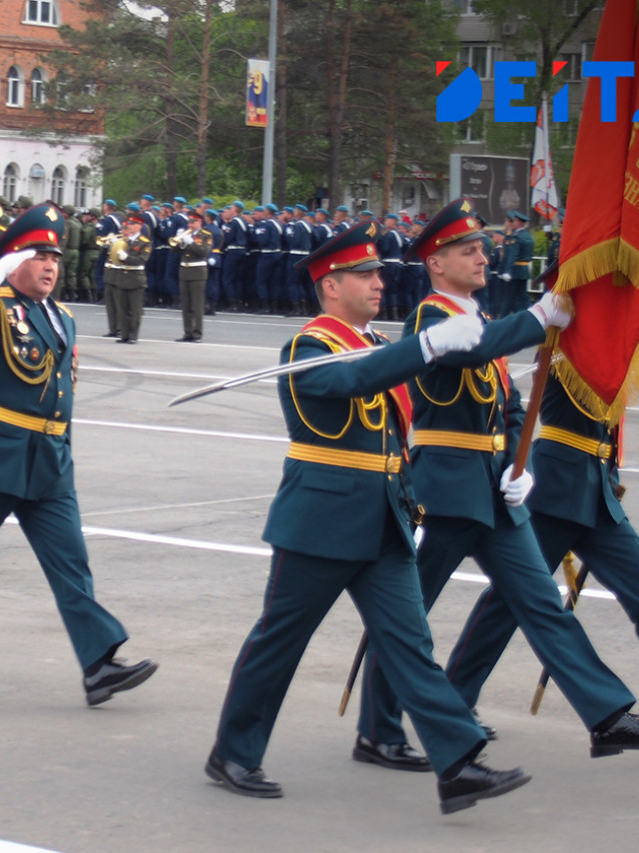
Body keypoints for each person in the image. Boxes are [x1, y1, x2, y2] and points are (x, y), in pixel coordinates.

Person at [206, 221, 531, 813]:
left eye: (379, 272)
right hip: (321, 520)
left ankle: (456, 761)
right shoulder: (308, 347)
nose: (379, 282)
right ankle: (233, 751)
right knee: (281, 642)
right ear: (330, 286)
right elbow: (354, 380)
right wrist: (429, 344)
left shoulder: (379, 345)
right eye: (365, 274)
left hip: (384, 519)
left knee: (410, 644)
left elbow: (402, 408)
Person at [357, 199, 639, 766]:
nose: (484, 257)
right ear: (436, 263)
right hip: (445, 488)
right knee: (408, 615)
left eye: (482, 248)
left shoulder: (480, 317)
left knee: (541, 603)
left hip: (491, 489)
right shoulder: (431, 319)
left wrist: (517, 463)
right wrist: (535, 318)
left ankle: (606, 717)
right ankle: (379, 731)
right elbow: (476, 351)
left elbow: (506, 398)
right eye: (468, 250)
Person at [444, 284, 639, 744]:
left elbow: (624, 350)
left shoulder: (599, 348)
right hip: (558, 489)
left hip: (595, 490)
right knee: (508, 602)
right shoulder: (564, 350)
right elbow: (618, 355)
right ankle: (453, 704)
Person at [0, 203, 157, 706]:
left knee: (71, 563)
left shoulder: (61, 317)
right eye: (38, 256)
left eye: (54, 258)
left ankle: (98, 664)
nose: (50, 266)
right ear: (13, 262)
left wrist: (62, 446)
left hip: (49, 458)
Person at [105, 213, 151, 343]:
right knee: (122, 308)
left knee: (135, 309)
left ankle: (133, 336)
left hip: (136, 278)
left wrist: (126, 258)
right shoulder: (124, 241)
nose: (129, 226)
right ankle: (124, 335)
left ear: (139, 226)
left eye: (132, 224)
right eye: (129, 224)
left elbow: (141, 260)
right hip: (122, 277)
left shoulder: (144, 243)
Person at [175, 209, 212, 342]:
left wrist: (191, 242)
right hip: (184, 271)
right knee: (185, 304)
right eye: (189, 222)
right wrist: (179, 240)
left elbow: (203, 252)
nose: (190, 224)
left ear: (199, 222)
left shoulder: (206, 235)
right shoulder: (187, 234)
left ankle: (197, 333)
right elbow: (174, 250)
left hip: (198, 272)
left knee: (197, 305)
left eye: (193, 221)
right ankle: (187, 332)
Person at [497, 210, 533, 316]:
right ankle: (526, 317)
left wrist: (507, 270)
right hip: (524, 271)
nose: (513, 223)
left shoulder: (516, 236)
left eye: (515, 221)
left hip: (514, 272)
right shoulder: (527, 236)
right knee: (522, 298)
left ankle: (503, 320)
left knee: (508, 298)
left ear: (519, 223)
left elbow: (512, 255)